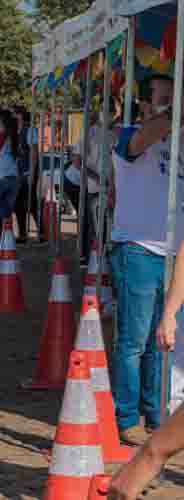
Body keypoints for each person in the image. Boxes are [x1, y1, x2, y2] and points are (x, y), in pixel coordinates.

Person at [109, 72, 182, 446]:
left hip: (174, 257)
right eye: (163, 97)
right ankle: (126, 416)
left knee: (162, 342)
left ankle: (155, 415)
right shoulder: (128, 136)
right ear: (144, 103)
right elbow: (142, 140)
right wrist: (174, 111)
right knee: (134, 341)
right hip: (138, 249)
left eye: (174, 96)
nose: (170, 104)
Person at [13, 107, 41, 245]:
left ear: (20, 116)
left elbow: (34, 152)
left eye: (14, 114)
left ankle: (42, 232)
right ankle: (22, 234)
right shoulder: (14, 132)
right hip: (17, 172)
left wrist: (32, 171)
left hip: (29, 171)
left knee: (31, 203)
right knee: (18, 203)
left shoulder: (29, 130)